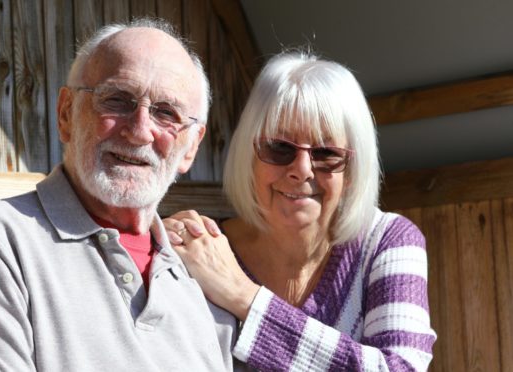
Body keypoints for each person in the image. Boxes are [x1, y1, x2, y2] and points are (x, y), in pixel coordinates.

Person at [0, 18, 243, 371]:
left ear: (191, 148)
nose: (140, 131)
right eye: (117, 100)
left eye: (166, 113)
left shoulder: (202, 270)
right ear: (66, 114)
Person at [164, 52, 437, 371]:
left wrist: (243, 296)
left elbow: (401, 368)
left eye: (326, 153)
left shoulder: (387, 240)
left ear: (352, 169)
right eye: (279, 147)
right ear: (249, 156)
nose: (302, 170)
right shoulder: (202, 248)